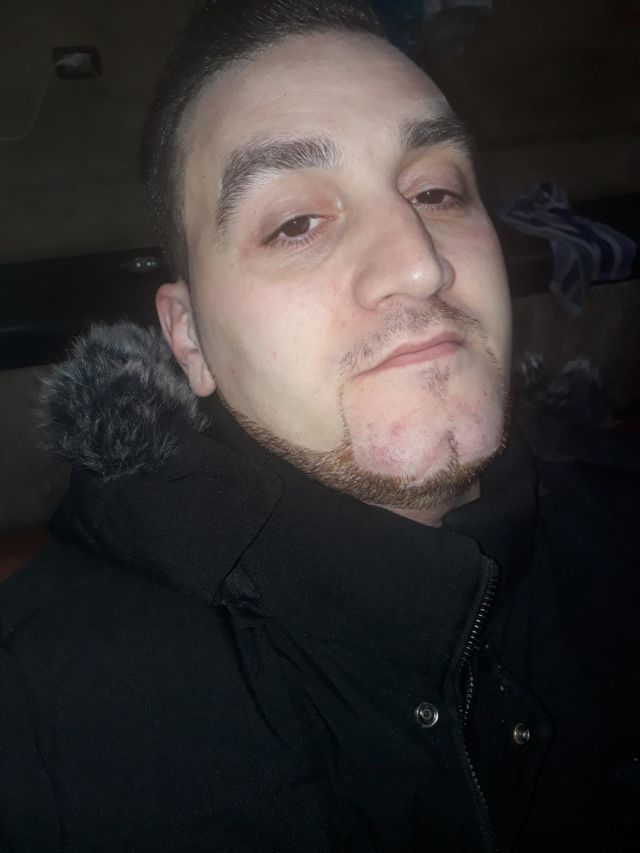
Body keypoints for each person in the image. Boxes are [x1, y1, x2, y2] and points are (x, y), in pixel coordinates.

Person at [0, 1, 638, 850]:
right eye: (296, 223)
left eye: (438, 191)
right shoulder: (40, 721)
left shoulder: (623, 530)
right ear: (190, 340)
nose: (420, 263)